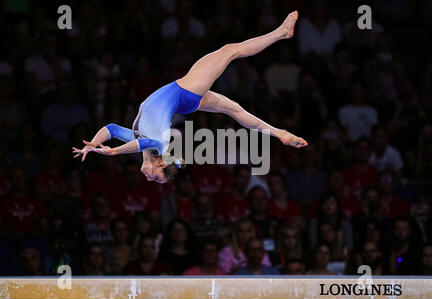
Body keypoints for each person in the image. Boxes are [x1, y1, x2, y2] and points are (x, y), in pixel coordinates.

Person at [72, 11, 308, 184]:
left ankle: (280, 134)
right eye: (156, 179)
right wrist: (111, 152)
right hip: (186, 91)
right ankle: (280, 33)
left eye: (154, 181)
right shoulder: (158, 146)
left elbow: (111, 128)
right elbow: (143, 144)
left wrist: (93, 144)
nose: (149, 179)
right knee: (229, 51)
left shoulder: (137, 137)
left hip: (185, 99)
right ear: (161, 164)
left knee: (234, 109)